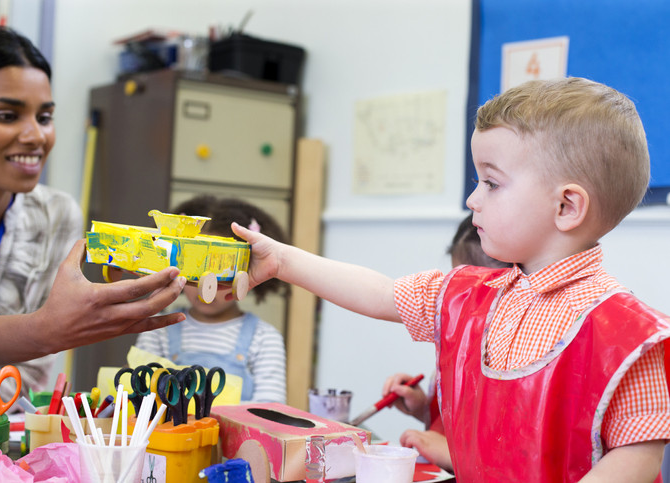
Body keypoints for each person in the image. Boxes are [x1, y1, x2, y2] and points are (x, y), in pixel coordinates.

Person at [232, 77, 670, 482]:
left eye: (492, 184)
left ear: (567, 207)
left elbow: (639, 458)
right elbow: (381, 293)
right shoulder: (467, 294)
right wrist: (282, 261)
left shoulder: (631, 339)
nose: (472, 199)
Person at [0, 26, 186, 401]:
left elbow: (22, 376)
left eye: (44, 117)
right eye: (7, 116)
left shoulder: (56, 214)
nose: (35, 136)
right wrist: (46, 331)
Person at [382, 213, 511, 471]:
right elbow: (459, 421)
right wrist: (422, 407)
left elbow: (514, 460)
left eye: (465, 294)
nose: (455, 302)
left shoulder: (512, 364)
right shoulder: (459, 346)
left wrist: (452, 455)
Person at [136, 195, 288, 403]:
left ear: (249, 270)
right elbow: (139, 395)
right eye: (194, 273)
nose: (205, 287)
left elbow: (270, 409)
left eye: (220, 275)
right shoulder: (158, 329)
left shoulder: (264, 339)